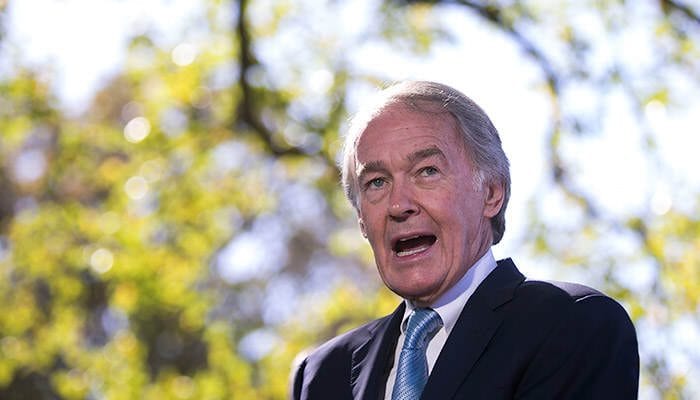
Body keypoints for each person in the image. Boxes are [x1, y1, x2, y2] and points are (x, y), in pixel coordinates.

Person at [291, 81, 639, 399]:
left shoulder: (573, 325)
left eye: (427, 171)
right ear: (362, 221)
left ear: (491, 193)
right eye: (377, 182)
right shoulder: (321, 375)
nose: (399, 205)